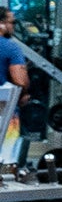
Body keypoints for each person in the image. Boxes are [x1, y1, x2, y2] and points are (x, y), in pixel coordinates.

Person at [0, 10, 29, 164]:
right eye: (12, 22)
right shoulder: (11, 48)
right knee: (6, 159)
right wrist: (24, 94)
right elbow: (19, 80)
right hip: (4, 111)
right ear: (2, 24)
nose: (13, 27)